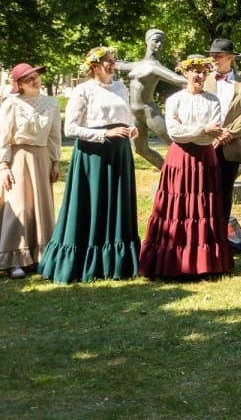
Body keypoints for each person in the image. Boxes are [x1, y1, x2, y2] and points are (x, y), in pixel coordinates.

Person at [39, 47, 141, 283]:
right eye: (108, 62)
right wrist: (104, 134)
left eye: (114, 61)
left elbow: (126, 116)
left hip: (119, 153)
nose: (113, 65)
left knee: (117, 204)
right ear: (94, 66)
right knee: (92, 204)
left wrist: (131, 127)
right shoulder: (83, 90)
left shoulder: (120, 87)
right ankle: (86, 260)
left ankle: (118, 261)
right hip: (93, 155)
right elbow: (70, 129)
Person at [138, 55, 234, 279]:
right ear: (186, 73)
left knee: (202, 207)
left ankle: (204, 263)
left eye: (203, 71)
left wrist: (198, 131)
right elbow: (175, 133)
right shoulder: (174, 100)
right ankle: (173, 263)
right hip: (180, 159)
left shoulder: (213, 101)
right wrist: (203, 129)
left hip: (204, 159)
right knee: (177, 208)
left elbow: (211, 133)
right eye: (195, 71)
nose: (199, 75)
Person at [0, 63, 61, 278]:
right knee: (18, 205)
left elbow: (54, 135)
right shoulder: (12, 103)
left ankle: (39, 257)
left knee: (41, 205)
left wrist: (55, 162)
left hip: (42, 157)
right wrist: (3, 166)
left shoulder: (51, 103)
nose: (35, 81)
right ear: (19, 85)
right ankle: (13, 259)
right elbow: (4, 136)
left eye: (35, 76)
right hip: (17, 157)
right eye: (28, 79)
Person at [203, 39, 241, 227]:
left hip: (232, 146)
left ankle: (221, 236)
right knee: (204, 191)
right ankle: (204, 234)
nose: (214, 59)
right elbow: (196, 108)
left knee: (225, 191)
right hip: (205, 143)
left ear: (230, 58)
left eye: (218, 56)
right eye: (212, 56)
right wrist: (214, 134)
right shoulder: (202, 80)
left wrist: (228, 133)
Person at [117, 28, 187, 170]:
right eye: (156, 40)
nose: (159, 44)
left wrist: (194, 75)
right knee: (140, 149)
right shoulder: (136, 65)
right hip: (134, 113)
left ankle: (190, 172)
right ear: (147, 41)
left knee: (174, 143)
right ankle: (168, 173)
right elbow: (119, 64)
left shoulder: (155, 67)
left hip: (148, 111)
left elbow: (177, 79)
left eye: (162, 42)